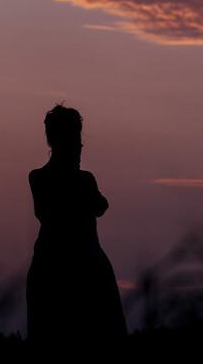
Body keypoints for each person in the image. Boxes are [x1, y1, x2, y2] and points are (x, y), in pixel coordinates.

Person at [27, 104, 128, 356]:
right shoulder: (79, 180)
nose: (79, 147)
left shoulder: (40, 178)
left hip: (58, 267)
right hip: (81, 268)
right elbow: (99, 205)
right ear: (58, 140)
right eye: (74, 139)